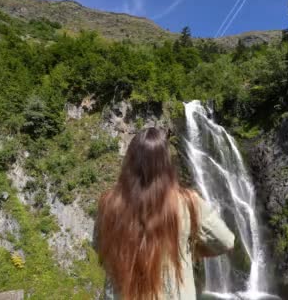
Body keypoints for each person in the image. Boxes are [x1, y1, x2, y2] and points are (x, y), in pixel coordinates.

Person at [94, 127, 235, 299]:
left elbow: (100, 247)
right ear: (166, 163)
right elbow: (226, 241)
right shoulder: (188, 202)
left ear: (129, 161)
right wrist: (186, 248)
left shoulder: (108, 203)